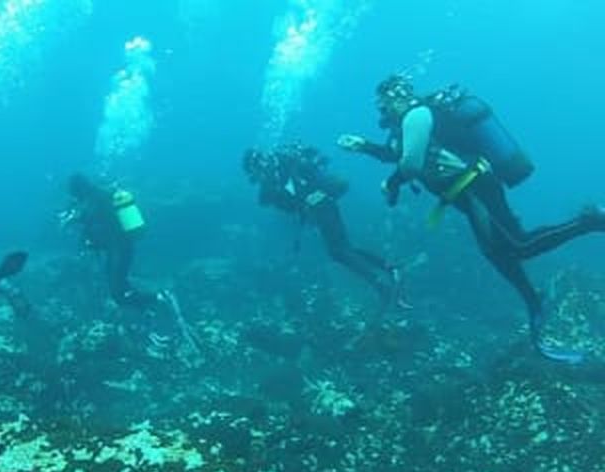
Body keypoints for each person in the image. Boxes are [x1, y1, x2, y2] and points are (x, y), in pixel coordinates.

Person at [338, 74, 605, 362]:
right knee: (496, 253)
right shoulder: (406, 125)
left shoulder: (417, 115)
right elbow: (398, 154)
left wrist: (391, 184)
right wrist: (363, 145)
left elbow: (411, 165)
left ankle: (589, 221)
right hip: (464, 193)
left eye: (383, 104)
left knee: (518, 246)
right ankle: (534, 299)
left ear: (396, 97)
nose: (382, 111)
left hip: (476, 187)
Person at [242, 142, 401, 306]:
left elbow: (286, 194)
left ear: (257, 165)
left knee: (339, 252)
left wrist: (305, 197)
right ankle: (389, 269)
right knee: (344, 249)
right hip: (321, 205)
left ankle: (382, 286)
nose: (256, 177)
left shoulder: (282, 165)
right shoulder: (275, 172)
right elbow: (271, 200)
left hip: (321, 202)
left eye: (254, 172)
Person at [61, 173, 199, 352]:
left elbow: (100, 230)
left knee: (119, 293)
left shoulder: (94, 201)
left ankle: (160, 299)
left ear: (79, 190)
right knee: (121, 291)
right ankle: (151, 318)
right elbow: (102, 226)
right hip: (119, 248)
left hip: (119, 250)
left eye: (74, 193)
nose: (74, 197)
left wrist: (78, 224)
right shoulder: (100, 196)